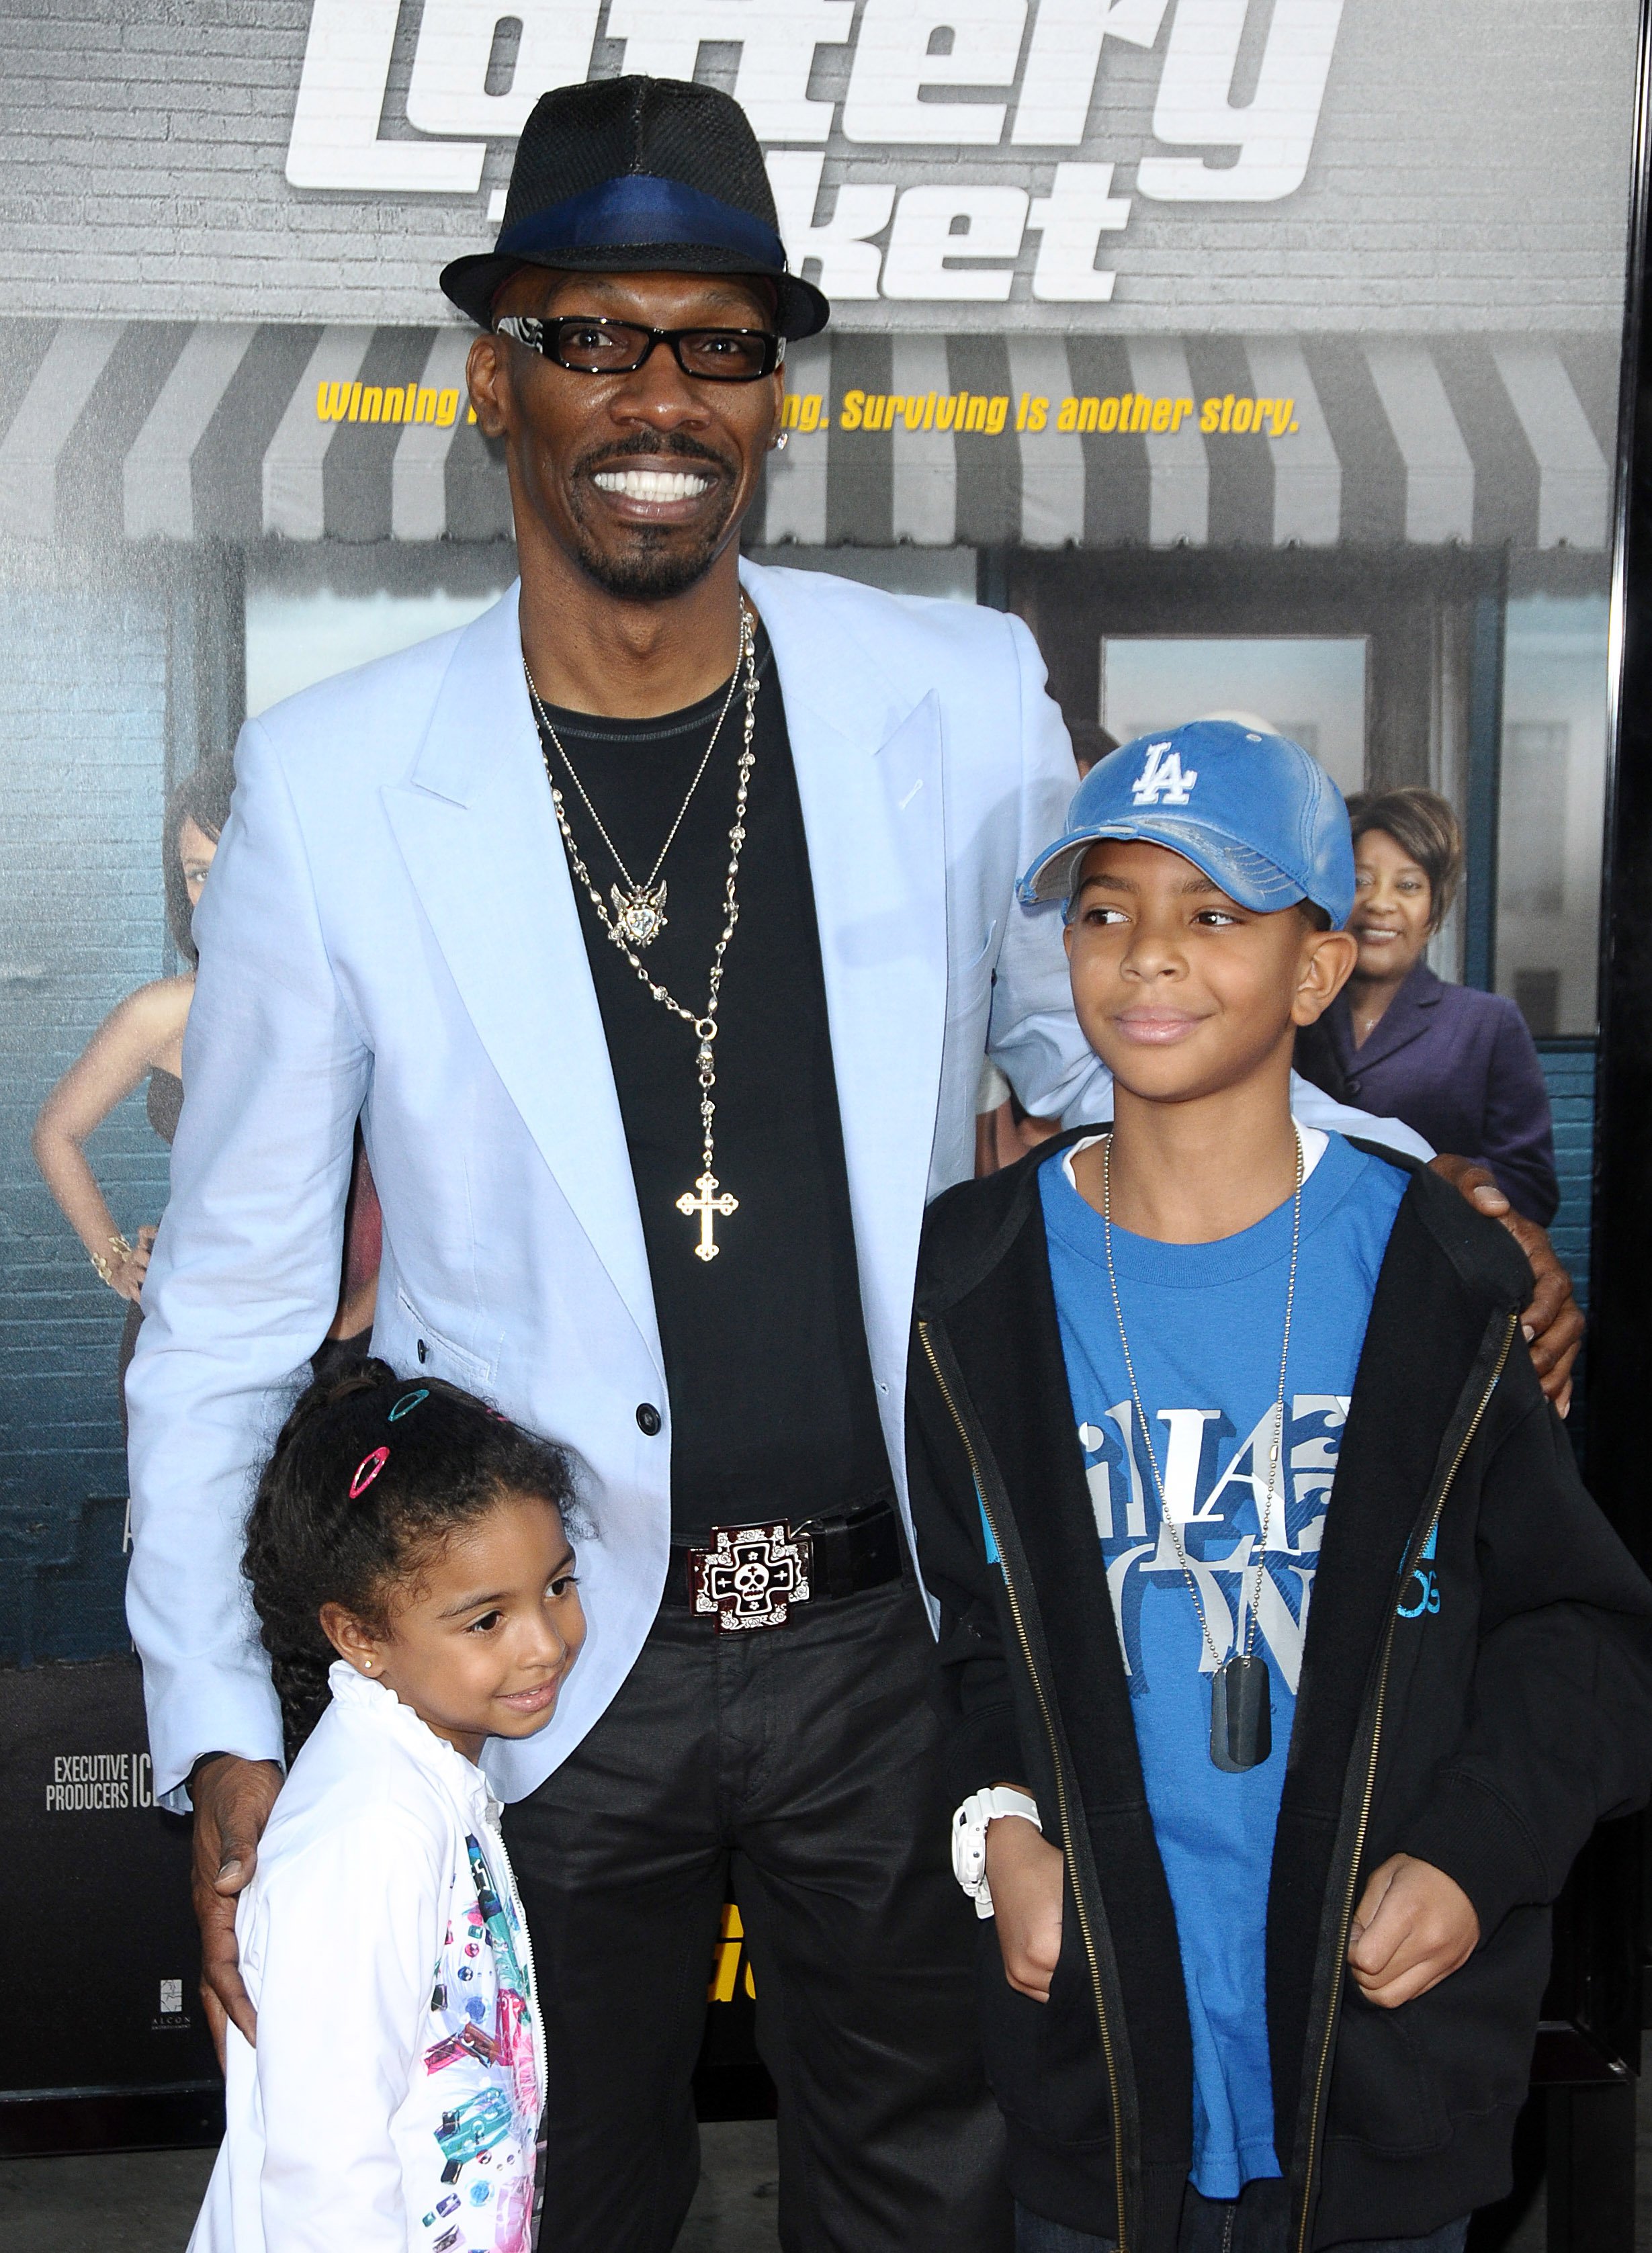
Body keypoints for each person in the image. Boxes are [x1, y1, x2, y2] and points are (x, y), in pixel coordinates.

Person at [124, 78, 1579, 2253]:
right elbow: (234, 1300)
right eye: (593, 334)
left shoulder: (951, 691)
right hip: (525, 1659)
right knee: (529, 2190)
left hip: (895, 1630)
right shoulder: (335, 788)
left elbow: (1117, 1056)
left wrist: (1393, 1186)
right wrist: (230, 1735)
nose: (655, 394)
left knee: (940, 2188)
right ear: (489, 380)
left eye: (715, 343)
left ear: (771, 399)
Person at [905, 720, 1652, 2253]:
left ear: (1315, 975)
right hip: (1099, 2075)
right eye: (1105, 911)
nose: (1148, 956)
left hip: (1374, 2075)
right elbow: (959, 1639)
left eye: (1214, 914)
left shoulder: (1435, 1272)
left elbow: (1579, 1636)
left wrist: (1469, 1855)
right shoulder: (965, 1280)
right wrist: (998, 1829)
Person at [187, 1364, 584, 2253]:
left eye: (557, 1585)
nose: (544, 1642)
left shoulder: (425, 1782)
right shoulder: (370, 1831)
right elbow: (323, 2171)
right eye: (486, 1619)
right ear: (359, 1635)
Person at [32, 756, 233, 1405]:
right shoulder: (163, 1012)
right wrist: (115, 1258)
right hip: (183, 1318)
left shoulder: (334, 1000)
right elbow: (56, 1133)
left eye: (234, 859)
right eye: (198, 873)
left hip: (319, 1317)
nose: (217, 888)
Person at [1295, 787, 1559, 1223]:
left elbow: (1531, 1186)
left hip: (1436, 1269)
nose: (1380, 903)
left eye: (1408, 885)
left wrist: (1427, 1188)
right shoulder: (1292, 1013)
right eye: (1361, 881)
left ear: (1433, 912)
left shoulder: (1488, 1024)